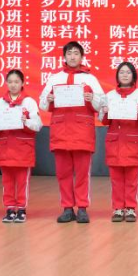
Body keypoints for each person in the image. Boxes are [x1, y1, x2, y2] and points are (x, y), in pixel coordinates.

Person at [38, 41, 106, 224]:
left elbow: (102, 104)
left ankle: (82, 208)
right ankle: (67, 208)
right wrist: (49, 98)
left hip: (82, 131)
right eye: (69, 53)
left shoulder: (90, 79)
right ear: (64, 57)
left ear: (82, 57)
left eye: (76, 53)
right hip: (60, 131)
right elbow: (42, 104)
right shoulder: (55, 78)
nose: (73, 56)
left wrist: (92, 98)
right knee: (63, 173)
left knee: (83, 173)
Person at [0, 69, 42, 223]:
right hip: (5, 148)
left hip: (23, 148)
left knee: (22, 181)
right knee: (7, 181)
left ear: (22, 83)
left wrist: (25, 122)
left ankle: (22, 209)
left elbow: (38, 125)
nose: (13, 85)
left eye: (16, 82)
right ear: (6, 83)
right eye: (10, 82)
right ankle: (10, 208)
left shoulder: (29, 102)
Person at [101, 62, 138, 223]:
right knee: (116, 180)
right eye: (121, 72)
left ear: (133, 75)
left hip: (133, 142)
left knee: (132, 180)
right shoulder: (110, 96)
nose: (125, 75)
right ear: (117, 76)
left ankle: (130, 208)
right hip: (115, 142)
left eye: (128, 72)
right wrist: (105, 112)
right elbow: (103, 120)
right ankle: (117, 208)